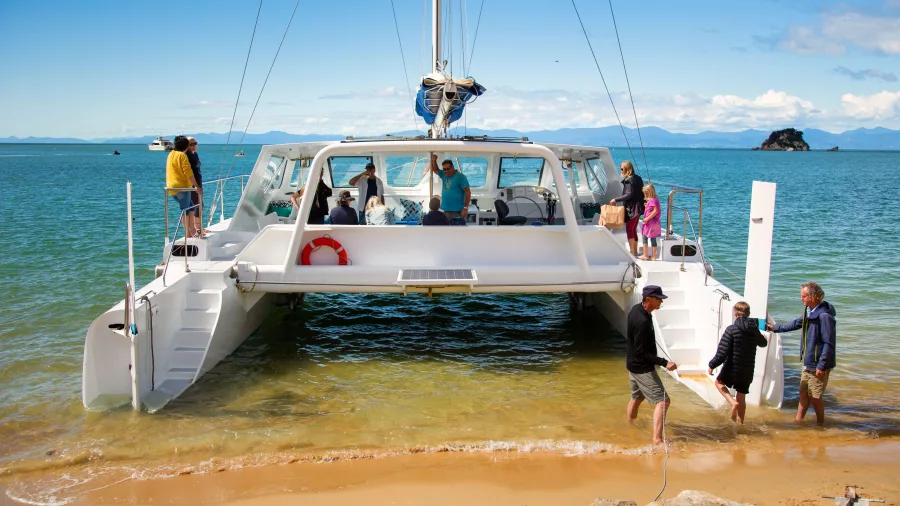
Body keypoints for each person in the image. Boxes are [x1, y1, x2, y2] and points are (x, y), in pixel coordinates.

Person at [766, 282, 836, 425]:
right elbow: (794, 324)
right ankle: (798, 422)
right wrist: (774, 328)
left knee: (816, 397)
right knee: (803, 393)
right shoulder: (809, 312)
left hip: (818, 364)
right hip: (808, 362)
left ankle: (820, 426)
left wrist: (822, 365)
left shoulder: (824, 317)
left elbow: (829, 343)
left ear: (812, 297)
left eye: (803, 296)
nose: (801, 299)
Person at [625, 285, 677, 446]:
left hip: (632, 364)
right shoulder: (642, 321)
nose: (661, 301)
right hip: (641, 367)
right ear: (648, 299)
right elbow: (642, 352)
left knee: (637, 397)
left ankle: (629, 426)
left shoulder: (636, 309)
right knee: (663, 401)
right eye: (658, 298)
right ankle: (657, 440)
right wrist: (664, 362)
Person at [707, 301, 768, 424]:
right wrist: (760, 334)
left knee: (719, 383)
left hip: (732, 366)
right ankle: (740, 424)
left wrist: (712, 365)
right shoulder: (754, 329)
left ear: (735, 314)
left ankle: (732, 402)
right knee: (742, 395)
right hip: (748, 369)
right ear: (748, 313)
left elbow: (722, 352)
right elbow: (763, 343)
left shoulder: (731, 329)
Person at [166, 135, 199, 238]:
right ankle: (188, 234)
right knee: (185, 210)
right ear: (186, 146)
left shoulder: (171, 154)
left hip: (171, 187)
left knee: (191, 206)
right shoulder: (182, 155)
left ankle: (191, 230)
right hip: (182, 187)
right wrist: (197, 186)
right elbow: (188, 172)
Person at [609, 161, 645, 256]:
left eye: (622, 169)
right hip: (639, 207)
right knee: (633, 229)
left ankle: (632, 252)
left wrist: (615, 199)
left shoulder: (628, 180)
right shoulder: (638, 178)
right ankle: (635, 251)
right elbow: (641, 192)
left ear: (626, 169)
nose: (621, 171)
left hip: (632, 209)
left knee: (629, 229)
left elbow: (629, 195)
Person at [426, 154, 470, 225]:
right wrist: (434, 160)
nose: (446, 171)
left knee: (457, 233)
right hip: (445, 211)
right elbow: (436, 170)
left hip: (457, 212)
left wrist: (465, 208)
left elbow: (468, 192)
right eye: (444, 169)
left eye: (448, 168)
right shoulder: (444, 175)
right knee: (446, 233)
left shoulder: (461, 177)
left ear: (452, 167)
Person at [185, 137, 204, 234]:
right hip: (192, 185)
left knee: (200, 206)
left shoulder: (195, 154)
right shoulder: (186, 155)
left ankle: (199, 228)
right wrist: (195, 185)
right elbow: (187, 172)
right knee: (192, 207)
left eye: (195, 144)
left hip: (198, 183)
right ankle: (191, 231)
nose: (193, 146)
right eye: (191, 144)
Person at [639, 183, 661, 260]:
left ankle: (645, 255)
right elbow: (653, 209)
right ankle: (653, 256)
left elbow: (655, 211)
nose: (645, 195)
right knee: (653, 239)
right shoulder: (655, 199)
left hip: (650, 223)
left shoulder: (651, 200)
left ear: (648, 193)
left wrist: (647, 218)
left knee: (644, 237)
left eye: (645, 194)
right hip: (655, 223)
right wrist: (647, 206)